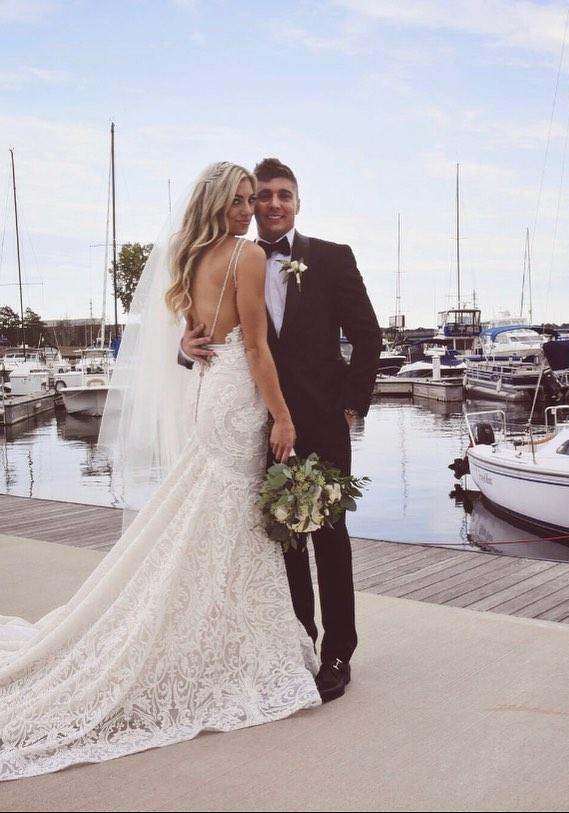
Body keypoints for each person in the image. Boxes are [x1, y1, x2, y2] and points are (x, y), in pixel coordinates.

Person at [0, 162, 321, 782]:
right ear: (216, 203)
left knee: (216, 512)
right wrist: (281, 416)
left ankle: (224, 633)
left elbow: (196, 337)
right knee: (226, 513)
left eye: (252, 200)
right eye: (239, 201)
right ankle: (229, 646)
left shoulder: (192, 257)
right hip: (238, 396)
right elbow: (254, 347)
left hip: (210, 391)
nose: (250, 210)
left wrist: (200, 352)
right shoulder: (247, 256)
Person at [182, 158, 381, 703]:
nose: (270, 204)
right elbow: (208, 335)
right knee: (279, 540)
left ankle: (339, 651)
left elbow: (369, 337)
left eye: (282, 195)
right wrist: (184, 347)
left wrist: (351, 407)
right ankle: (298, 644)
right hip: (253, 422)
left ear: (297, 201)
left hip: (321, 418)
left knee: (328, 536)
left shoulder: (333, 258)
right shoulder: (229, 257)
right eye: (261, 195)